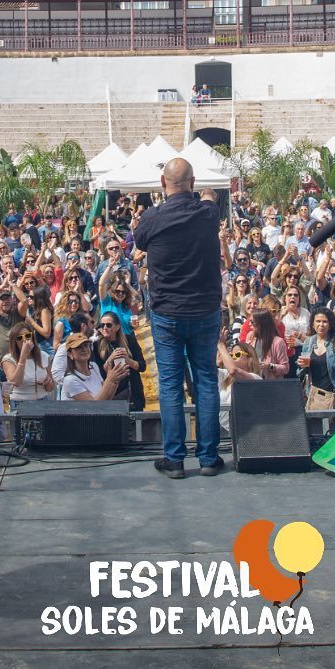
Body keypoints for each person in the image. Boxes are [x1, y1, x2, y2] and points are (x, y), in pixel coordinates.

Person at [133, 157, 224, 479]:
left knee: (171, 385)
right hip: (205, 311)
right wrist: (208, 194)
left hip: (167, 313)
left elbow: (139, 242)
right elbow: (211, 198)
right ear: (193, 183)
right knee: (206, 381)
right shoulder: (207, 214)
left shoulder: (152, 217)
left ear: (162, 183)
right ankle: (208, 458)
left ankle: (174, 459)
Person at [297, 307, 335, 411]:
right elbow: (300, 373)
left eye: (325, 321)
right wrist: (302, 366)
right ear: (313, 324)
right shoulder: (308, 342)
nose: (321, 325)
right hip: (314, 395)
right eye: (318, 321)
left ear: (330, 324)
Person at [60, 329, 129, 401]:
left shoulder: (93, 366)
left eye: (86, 345)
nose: (84, 349)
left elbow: (107, 398)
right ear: (70, 354)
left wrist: (116, 381)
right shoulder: (70, 380)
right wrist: (110, 379)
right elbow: (94, 406)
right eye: (78, 347)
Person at [1, 322, 54, 402]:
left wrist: (48, 382)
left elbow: (50, 388)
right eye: (19, 338)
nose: (24, 339)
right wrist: (23, 355)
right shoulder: (8, 359)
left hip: (43, 400)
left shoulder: (43, 356)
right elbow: (16, 382)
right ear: (14, 342)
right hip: (20, 402)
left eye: (28, 335)